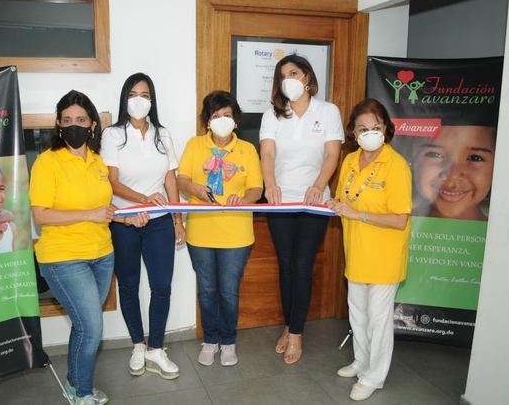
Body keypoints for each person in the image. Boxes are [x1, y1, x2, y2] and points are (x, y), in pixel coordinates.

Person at [29, 90, 147, 405]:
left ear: (92, 124)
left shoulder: (98, 162)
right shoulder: (47, 162)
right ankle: (82, 394)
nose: (74, 126)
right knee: (91, 325)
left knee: (84, 325)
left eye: (80, 120)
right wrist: (88, 214)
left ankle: (73, 382)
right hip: (63, 258)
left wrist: (126, 219)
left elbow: (104, 208)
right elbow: (40, 215)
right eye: (67, 120)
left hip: (101, 255)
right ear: (57, 124)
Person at [259, 54, 343, 364]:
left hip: (314, 202)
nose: (288, 80)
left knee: (302, 264)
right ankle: (288, 324)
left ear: (307, 76)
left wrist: (319, 185)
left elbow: (332, 154)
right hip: (281, 201)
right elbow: (267, 153)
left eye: (293, 72)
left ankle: (297, 333)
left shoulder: (328, 111)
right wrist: (270, 186)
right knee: (285, 264)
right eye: (283, 75)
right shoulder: (273, 114)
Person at [100, 73, 184, 379]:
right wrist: (143, 199)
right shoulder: (112, 135)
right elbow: (112, 181)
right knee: (130, 286)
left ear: (152, 100)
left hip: (160, 223)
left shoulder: (163, 134)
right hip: (124, 223)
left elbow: (170, 178)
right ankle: (138, 343)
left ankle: (156, 349)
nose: (139, 100)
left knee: (161, 287)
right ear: (125, 98)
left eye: (145, 95)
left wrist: (178, 219)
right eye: (134, 94)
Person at [327, 98, 412, 401]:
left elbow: (400, 219)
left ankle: (374, 376)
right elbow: (343, 199)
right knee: (358, 315)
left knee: (378, 319)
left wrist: (359, 214)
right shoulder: (350, 160)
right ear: (352, 132)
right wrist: (334, 206)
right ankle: (361, 362)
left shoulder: (396, 165)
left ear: (387, 128)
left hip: (385, 257)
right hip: (357, 253)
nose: (369, 132)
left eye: (375, 127)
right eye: (362, 128)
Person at [177, 90, 263, 367]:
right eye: (216, 116)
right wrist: (195, 189)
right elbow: (181, 180)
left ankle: (228, 341)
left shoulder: (248, 150)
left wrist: (245, 198)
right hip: (201, 230)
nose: (222, 120)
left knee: (228, 290)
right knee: (206, 289)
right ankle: (210, 339)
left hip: (237, 233)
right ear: (207, 121)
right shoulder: (194, 145)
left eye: (227, 115)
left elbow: (256, 188)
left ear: (235, 120)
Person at [409, 125, 495, 221]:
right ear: (413, 159)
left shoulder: (500, 233)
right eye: (435, 154)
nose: (452, 175)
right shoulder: (393, 224)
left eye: (475, 158)